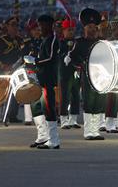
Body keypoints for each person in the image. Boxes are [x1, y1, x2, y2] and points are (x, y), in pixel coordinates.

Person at [66, 8, 106, 141]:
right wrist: (81, 64)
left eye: (95, 26)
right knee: (89, 102)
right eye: (89, 26)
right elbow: (73, 58)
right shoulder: (79, 42)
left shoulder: (102, 42)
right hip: (87, 77)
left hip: (101, 77)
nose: (93, 29)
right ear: (84, 28)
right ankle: (88, 131)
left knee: (99, 102)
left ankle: (96, 131)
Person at [30, 14, 60, 149]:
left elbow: (51, 58)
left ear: (49, 25)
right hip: (41, 78)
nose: (40, 28)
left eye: (42, 25)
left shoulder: (53, 39)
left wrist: (35, 61)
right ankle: (43, 137)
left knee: (49, 108)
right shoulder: (45, 39)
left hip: (48, 79)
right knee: (39, 107)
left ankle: (54, 140)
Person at [58, 18, 80, 129]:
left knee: (76, 95)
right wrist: (63, 56)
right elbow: (59, 54)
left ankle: (73, 119)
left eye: (72, 30)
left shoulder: (77, 42)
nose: (71, 32)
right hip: (64, 73)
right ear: (64, 31)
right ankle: (63, 119)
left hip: (75, 72)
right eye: (68, 30)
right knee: (65, 96)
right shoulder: (60, 42)